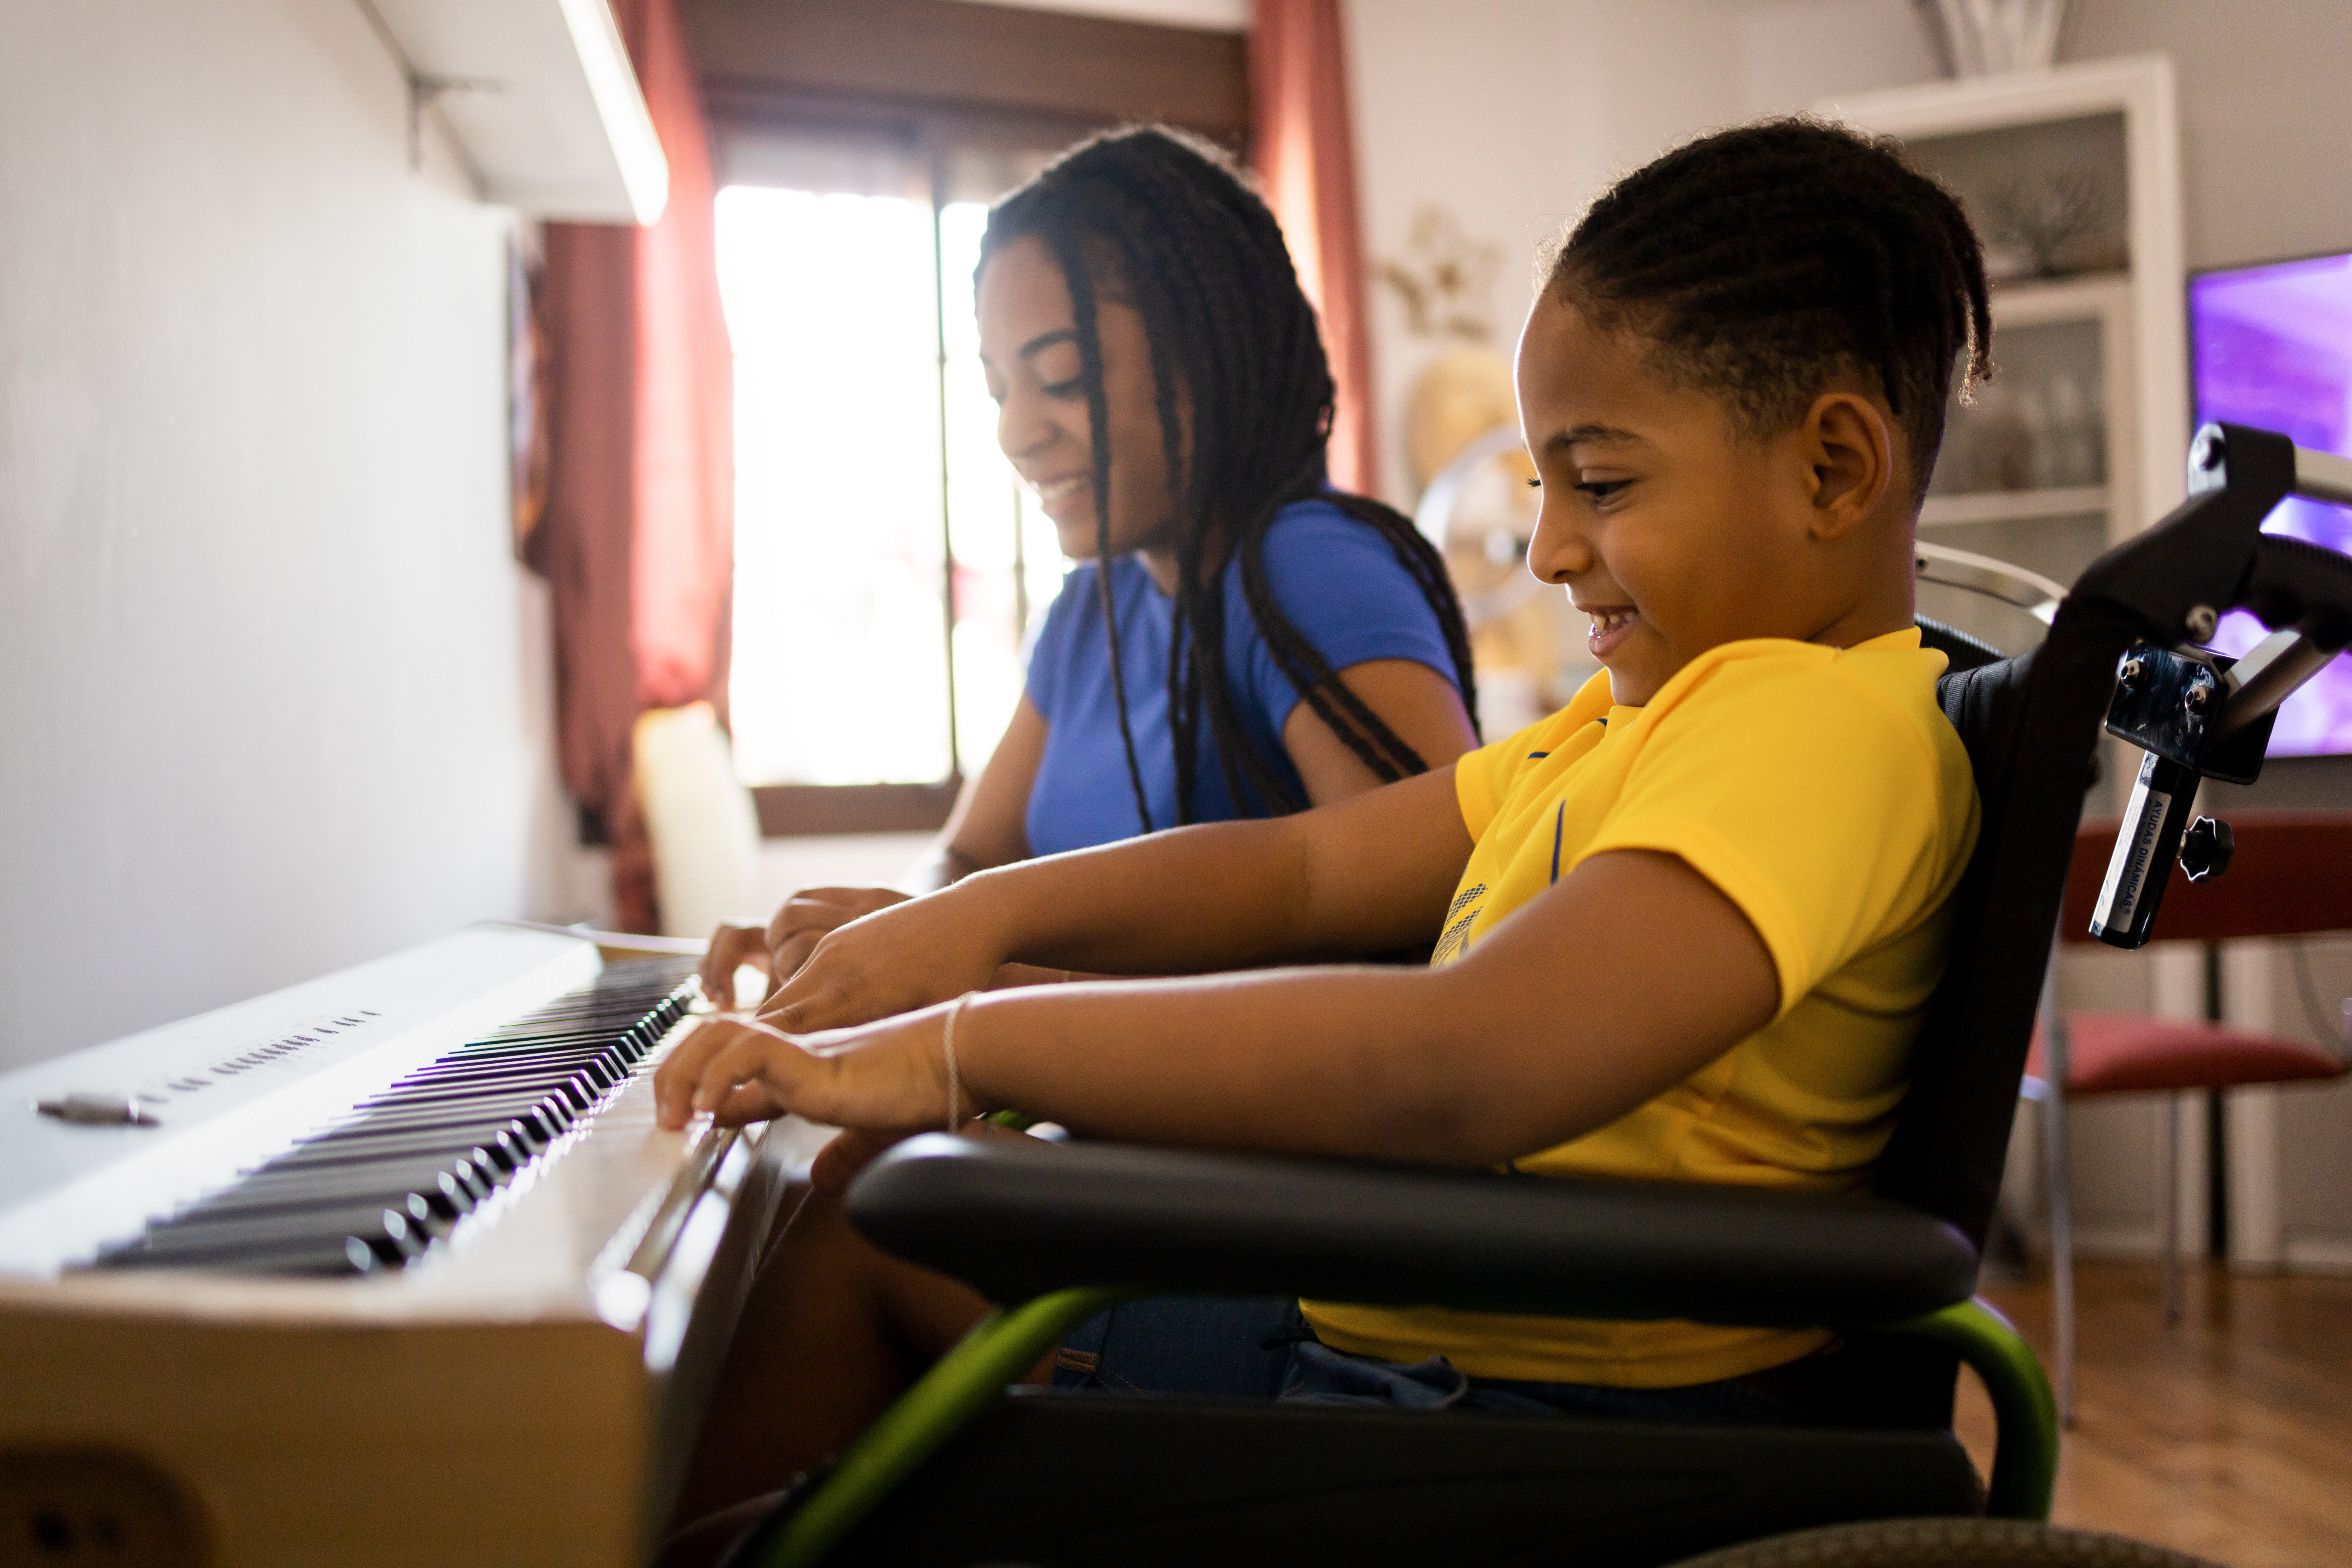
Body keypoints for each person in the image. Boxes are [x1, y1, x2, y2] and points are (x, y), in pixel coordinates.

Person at [656, 115, 1994, 1542]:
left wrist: (962, 1039)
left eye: (1600, 483)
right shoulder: (1631, 723)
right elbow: (1301, 871)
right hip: (1408, 1333)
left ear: (1836, 470)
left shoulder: (1817, 727)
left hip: (1520, 1410)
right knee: (861, 1229)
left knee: (827, 1366)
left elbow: (1465, 1065)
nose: (1546, 551)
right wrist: (973, 926)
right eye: (1547, 490)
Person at [703, 128, 1480, 1003]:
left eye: (1062, 376)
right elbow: (965, 856)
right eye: (1000, 389)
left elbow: (1428, 941)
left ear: (1208, 352)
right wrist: (888, 932)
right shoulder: (1088, 612)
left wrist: (988, 975)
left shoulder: (1312, 568)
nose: (1014, 433)